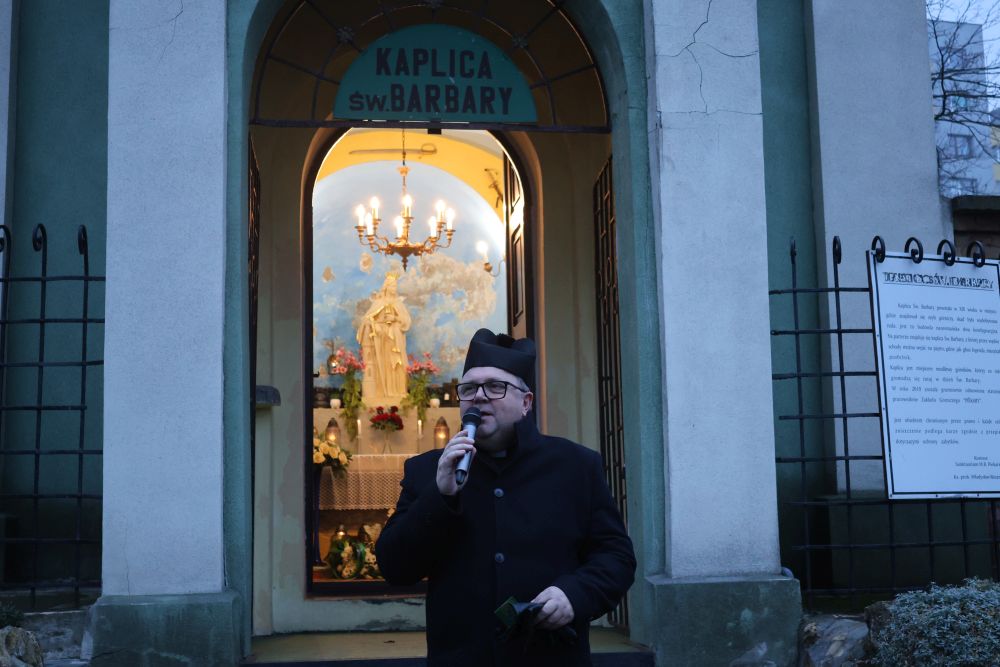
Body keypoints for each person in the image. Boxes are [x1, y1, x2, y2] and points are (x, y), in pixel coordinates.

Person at [376, 328, 636, 666]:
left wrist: (574, 595)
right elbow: (395, 567)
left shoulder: (576, 466)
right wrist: (440, 496)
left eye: (495, 387)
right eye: (469, 389)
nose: (479, 397)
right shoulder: (427, 471)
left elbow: (616, 557)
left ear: (526, 403)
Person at [357, 273, 410, 402]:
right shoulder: (378, 302)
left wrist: (395, 318)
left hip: (395, 340)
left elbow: (407, 321)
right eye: (392, 286)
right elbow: (366, 320)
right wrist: (376, 325)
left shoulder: (398, 303)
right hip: (381, 340)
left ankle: (397, 391)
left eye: (395, 286)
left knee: (397, 365)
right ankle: (382, 391)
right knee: (383, 365)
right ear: (386, 287)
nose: (394, 288)